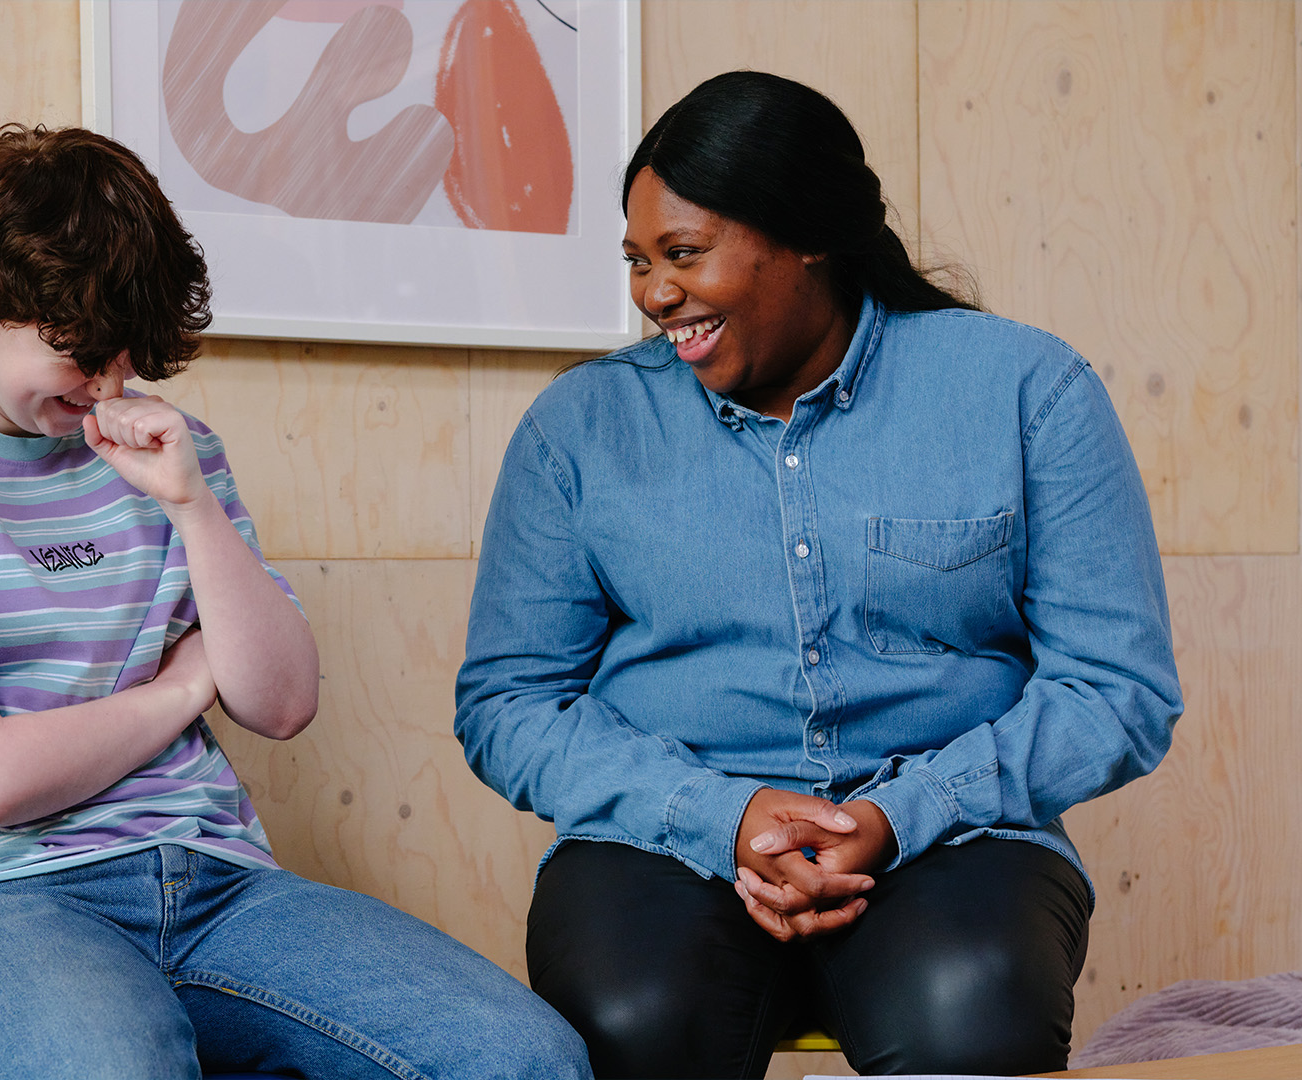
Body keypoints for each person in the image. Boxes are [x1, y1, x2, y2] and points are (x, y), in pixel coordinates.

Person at [0, 123, 589, 1080]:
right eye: (80, 350)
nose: (109, 383)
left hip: (211, 884)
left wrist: (191, 504)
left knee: (521, 1059)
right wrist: (177, 694)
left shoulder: (172, 453)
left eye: (126, 353)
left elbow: (282, 702)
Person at [455, 71, 1183, 1079]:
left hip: (953, 835)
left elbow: (1119, 691)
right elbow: (510, 702)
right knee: (632, 1021)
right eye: (638, 260)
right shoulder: (580, 431)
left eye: (685, 253)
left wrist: (902, 814)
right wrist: (721, 817)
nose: (654, 292)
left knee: (967, 1016)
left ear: (808, 237)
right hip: (665, 836)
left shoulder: (1026, 391)